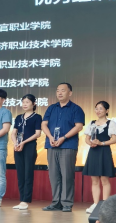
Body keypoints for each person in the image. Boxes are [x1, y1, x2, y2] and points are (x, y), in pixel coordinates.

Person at [41, 82, 85, 212]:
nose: (60, 93)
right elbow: (44, 124)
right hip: (51, 144)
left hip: (67, 145)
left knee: (67, 175)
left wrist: (63, 138)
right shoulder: (51, 108)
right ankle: (56, 203)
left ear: (70, 93)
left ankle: (66, 203)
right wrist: (50, 137)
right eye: (58, 90)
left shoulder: (76, 109)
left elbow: (79, 126)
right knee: (54, 175)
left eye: (63, 90)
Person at [82, 101, 116, 214]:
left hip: (104, 151)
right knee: (94, 180)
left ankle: (105, 205)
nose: (98, 111)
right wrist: (91, 143)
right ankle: (95, 204)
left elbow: (114, 139)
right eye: (96, 108)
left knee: (104, 179)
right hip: (93, 152)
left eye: (101, 108)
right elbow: (87, 138)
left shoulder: (111, 123)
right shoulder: (92, 123)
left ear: (107, 111)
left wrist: (101, 143)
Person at [11, 94, 42, 210]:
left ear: (33, 104)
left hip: (29, 146)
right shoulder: (19, 117)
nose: (25, 104)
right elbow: (13, 133)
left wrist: (23, 142)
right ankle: (21, 200)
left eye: (27, 102)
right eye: (23, 102)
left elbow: (37, 134)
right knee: (20, 174)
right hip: (18, 147)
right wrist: (16, 143)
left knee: (28, 173)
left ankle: (26, 200)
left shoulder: (37, 117)